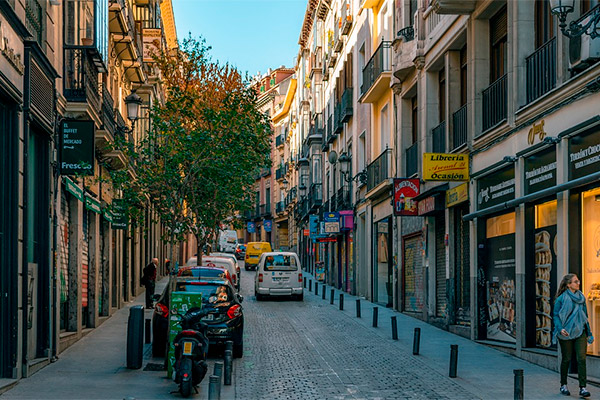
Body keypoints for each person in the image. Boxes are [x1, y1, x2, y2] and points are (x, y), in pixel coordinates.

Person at [554, 273, 594, 397]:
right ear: (568, 284)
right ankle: (563, 385)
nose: (578, 283)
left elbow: (585, 317)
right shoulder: (561, 299)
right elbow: (555, 315)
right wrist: (560, 329)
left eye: (578, 281)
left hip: (580, 331)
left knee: (581, 358)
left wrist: (589, 333)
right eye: (575, 281)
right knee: (566, 359)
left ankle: (583, 387)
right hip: (565, 332)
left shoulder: (581, 298)